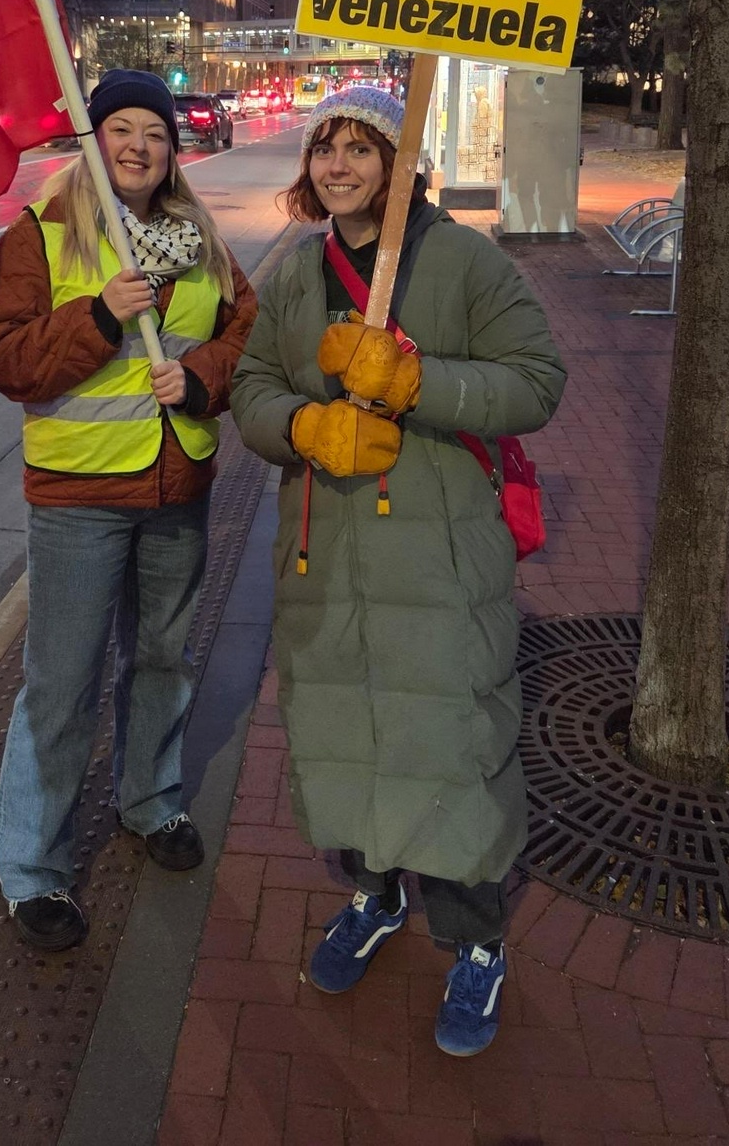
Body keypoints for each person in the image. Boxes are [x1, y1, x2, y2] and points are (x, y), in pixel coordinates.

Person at [230, 85, 566, 1056]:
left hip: (437, 561)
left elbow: (535, 381)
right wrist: (303, 424)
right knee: (339, 735)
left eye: (359, 148)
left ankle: (474, 943)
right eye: (324, 148)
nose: (337, 165)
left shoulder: (464, 260)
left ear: (398, 160)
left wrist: (416, 383)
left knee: (448, 748)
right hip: (323, 562)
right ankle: (372, 898)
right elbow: (251, 386)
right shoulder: (294, 273)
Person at [0, 69, 257, 951]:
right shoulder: (45, 232)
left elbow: (246, 327)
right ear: (93, 141)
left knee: (164, 661)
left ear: (176, 150)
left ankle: (150, 803)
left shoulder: (197, 235)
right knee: (62, 684)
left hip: (178, 490)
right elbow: (4, 356)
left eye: (155, 133)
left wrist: (204, 375)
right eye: (121, 129)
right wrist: (99, 317)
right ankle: (33, 870)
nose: (138, 146)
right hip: (81, 500)